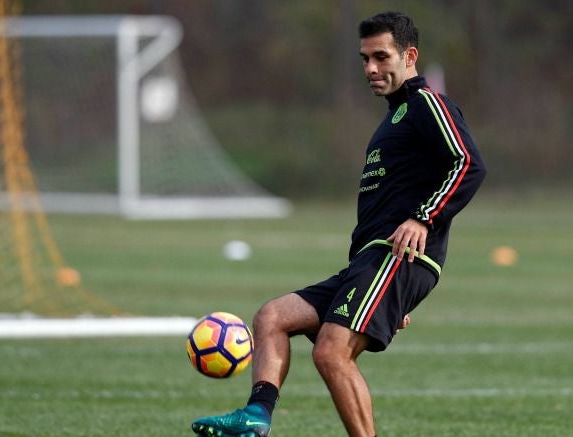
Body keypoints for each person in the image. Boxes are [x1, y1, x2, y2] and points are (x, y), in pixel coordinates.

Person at [191, 11, 487, 436]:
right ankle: (256, 417)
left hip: (398, 256)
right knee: (272, 317)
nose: (371, 68)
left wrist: (423, 219)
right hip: (370, 265)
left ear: (410, 56)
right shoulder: (393, 117)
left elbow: (469, 162)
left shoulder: (427, 104)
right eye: (365, 59)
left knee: (331, 352)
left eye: (381, 57)